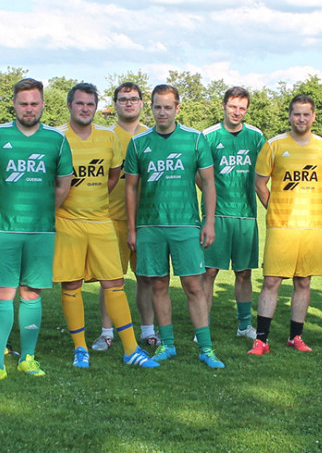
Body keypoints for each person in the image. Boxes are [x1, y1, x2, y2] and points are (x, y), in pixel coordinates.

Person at [0, 78, 73, 384]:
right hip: (3, 230)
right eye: (23, 103)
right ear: (13, 105)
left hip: (41, 231)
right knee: (2, 293)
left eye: (34, 103)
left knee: (32, 293)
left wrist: (42, 212)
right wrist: (0, 211)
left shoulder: (56, 140)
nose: (28, 109)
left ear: (43, 104)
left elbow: (63, 185)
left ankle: (28, 358)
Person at [55, 83, 158, 368]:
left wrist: (96, 194)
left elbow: (113, 175)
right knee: (71, 284)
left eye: (90, 104)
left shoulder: (107, 137)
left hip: (101, 220)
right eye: (80, 104)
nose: (85, 109)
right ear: (70, 106)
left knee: (114, 283)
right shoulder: (56, 137)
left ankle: (130, 349)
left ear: (96, 107)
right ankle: (80, 348)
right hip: (67, 222)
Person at [125, 84, 224, 368]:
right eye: (157, 107)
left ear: (177, 108)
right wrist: (132, 229)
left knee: (193, 285)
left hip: (186, 225)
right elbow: (130, 189)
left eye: (168, 107)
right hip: (150, 226)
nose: (162, 112)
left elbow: (207, 182)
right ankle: (167, 344)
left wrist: (210, 222)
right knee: (158, 284)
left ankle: (206, 348)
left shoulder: (194, 140)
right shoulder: (139, 143)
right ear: (150, 108)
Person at [249, 94, 322, 355]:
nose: (301, 118)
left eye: (306, 114)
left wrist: (307, 204)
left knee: (303, 281)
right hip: (281, 226)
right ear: (290, 116)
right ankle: (261, 339)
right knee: (272, 281)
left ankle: (295, 336)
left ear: (314, 117)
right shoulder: (274, 145)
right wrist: (274, 208)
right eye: (296, 114)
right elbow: (259, 183)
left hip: (311, 226)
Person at [92, 81, 159, 351]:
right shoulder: (105, 136)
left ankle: (148, 331)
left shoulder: (153, 135)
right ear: (115, 104)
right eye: (123, 99)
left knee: (146, 278)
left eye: (133, 98)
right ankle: (107, 332)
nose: (129, 103)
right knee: (111, 279)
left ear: (142, 103)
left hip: (146, 220)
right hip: (111, 218)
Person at [201, 86, 265, 340]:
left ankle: (244, 326)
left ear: (246, 110)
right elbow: (200, 175)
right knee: (209, 271)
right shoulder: (208, 136)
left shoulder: (256, 137)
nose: (237, 112)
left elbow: (265, 172)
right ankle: (202, 327)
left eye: (242, 108)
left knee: (244, 272)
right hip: (216, 216)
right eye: (232, 107)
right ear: (224, 106)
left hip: (246, 215)